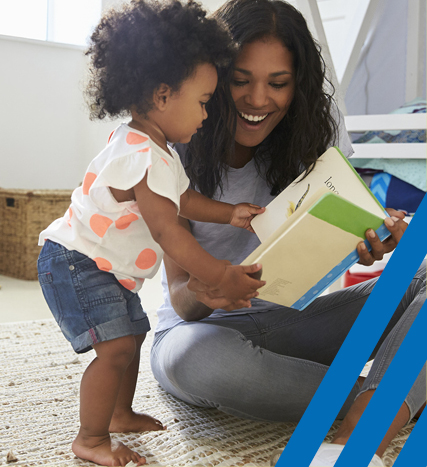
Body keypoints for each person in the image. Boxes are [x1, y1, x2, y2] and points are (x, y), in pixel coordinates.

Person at [149, 0, 426, 466]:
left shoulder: (309, 142)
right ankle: (394, 392)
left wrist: (362, 245)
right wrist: (210, 290)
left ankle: (358, 435)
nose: (258, 100)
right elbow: (181, 297)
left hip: (292, 321)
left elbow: (324, 254)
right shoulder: (172, 148)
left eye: (277, 84)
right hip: (200, 332)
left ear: (296, 86)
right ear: (212, 78)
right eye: (240, 80)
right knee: (197, 361)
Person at [37, 1, 266, 466]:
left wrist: (231, 214)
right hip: (76, 261)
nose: (206, 116)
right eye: (203, 103)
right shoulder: (141, 154)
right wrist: (220, 275)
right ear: (163, 95)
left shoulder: (156, 150)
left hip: (101, 265)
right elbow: (169, 232)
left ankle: (119, 413)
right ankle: (90, 438)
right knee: (116, 347)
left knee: (134, 334)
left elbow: (183, 201)